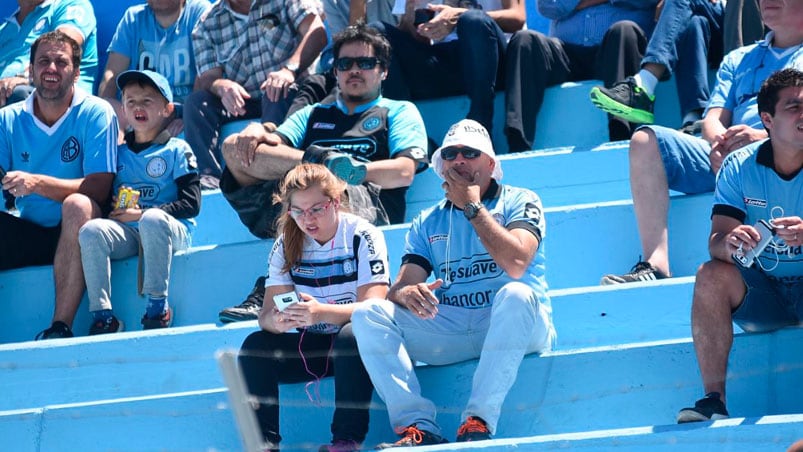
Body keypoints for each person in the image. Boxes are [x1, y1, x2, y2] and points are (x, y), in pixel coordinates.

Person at [351, 119, 556, 447]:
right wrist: (408, 293)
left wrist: (472, 207)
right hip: (453, 327)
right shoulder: (427, 221)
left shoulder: (521, 200)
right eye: (450, 154)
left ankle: (479, 419)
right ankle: (418, 427)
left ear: (490, 163)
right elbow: (400, 287)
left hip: (517, 325)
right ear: (440, 166)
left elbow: (517, 263)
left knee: (515, 293)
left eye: (470, 153)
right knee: (368, 313)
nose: (459, 160)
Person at [217, 23, 428, 323]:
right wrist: (258, 129)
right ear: (336, 72)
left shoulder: (398, 111)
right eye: (345, 64)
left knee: (313, 194)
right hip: (304, 203)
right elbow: (267, 147)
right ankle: (323, 166)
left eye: (365, 63)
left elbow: (404, 172)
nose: (354, 70)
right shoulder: (312, 114)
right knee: (233, 147)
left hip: (365, 204)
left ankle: (269, 289)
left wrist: (352, 172)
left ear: (383, 71)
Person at [600, 0, 803, 284]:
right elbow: (713, 118)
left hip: (788, 154)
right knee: (645, 140)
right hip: (729, 158)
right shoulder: (739, 58)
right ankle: (655, 265)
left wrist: (761, 139)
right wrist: (722, 144)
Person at [676, 68, 803, 423]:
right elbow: (716, 240)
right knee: (710, 275)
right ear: (767, 119)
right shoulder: (738, 166)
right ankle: (713, 400)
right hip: (764, 294)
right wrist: (731, 244)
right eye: (794, 107)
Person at [238, 163, 390, 451]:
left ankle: (346, 441)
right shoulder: (285, 244)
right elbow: (265, 317)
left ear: (335, 202)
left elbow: (375, 307)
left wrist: (321, 313)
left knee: (351, 334)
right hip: (317, 346)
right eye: (298, 211)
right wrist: (279, 320)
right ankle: (264, 446)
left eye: (316, 209)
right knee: (254, 346)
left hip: (361, 346)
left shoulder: (363, 234)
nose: (307, 219)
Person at [0, 31, 118, 339]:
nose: (51, 68)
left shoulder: (96, 112)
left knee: (77, 204)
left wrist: (36, 183)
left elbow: (99, 188)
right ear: (31, 69)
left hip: (86, 234)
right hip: (31, 232)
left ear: (77, 72)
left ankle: (60, 327)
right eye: (43, 61)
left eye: (61, 62)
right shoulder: (7, 119)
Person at [78, 70, 201, 335]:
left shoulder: (178, 149)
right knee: (91, 231)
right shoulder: (118, 154)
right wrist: (115, 209)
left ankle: (158, 307)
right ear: (122, 109)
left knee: (151, 219)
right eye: (131, 101)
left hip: (171, 229)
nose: (138, 107)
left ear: (167, 109)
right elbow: (109, 204)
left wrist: (141, 213)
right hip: (131, 232)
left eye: (147, 101)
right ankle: (103, 315)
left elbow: (191, 204)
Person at [183, 0, 327, 189]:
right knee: (196, 102)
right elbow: (209, 76)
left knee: (275, 91)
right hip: (243, 101)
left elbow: (317, 33)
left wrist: (288, 70)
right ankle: (208, 179)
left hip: (290, 91)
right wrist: (222, 85)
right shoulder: (207, 23)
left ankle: (277, 173)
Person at [504, 0, 658, 153]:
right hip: (565, 52)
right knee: (525, 40)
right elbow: (548, 5)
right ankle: (517, 144)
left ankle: (621, 137)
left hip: (614, 47)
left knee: (624, 30)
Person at [371, 0, 525, 136]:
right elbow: (410, 35)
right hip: (443, 61)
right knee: (377, 32)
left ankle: (480, 127)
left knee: (473, 20)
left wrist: (460, 15)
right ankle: (405, 129)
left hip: (491, 61)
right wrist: (411, 24)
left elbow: (517, 17)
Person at [589, 0, 726, 132]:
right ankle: (694, 117)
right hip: (703, 20)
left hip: (733, 20)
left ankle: (644, 84)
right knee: (694, 22)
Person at [97, 0, 211, 137]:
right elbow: (111, 74)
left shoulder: (200, 12)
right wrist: (108, 114)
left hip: (184, 114)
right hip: (140, 112)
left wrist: (188, 117)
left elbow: (207, 72)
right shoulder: (132, 18)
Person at [0, 0, 98, 107]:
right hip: (7, 99)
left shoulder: (70, 4)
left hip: (60, 102)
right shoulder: (4, 29)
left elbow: (63, 47)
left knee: (19, 93)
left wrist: (26, 76)